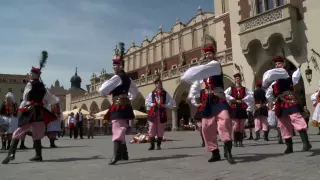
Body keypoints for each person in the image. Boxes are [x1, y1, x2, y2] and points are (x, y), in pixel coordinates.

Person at [181, 42, 235, 164]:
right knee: (206, 126)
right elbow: (196, 84)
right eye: (206, 54)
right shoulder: (204, 71)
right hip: (207, 100)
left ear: (214, 54)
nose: (207, 55)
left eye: (209, 53)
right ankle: (214, 152)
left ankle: (228, 151)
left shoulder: (216, 65)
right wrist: (192, 97)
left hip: (218, 97)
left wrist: (190, 73)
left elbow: (203, 70)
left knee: (225, 119)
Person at [2, 51, 59, 164]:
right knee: (37, 134)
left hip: (29, 112)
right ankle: (38, 155)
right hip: (38, 112)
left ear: (35, 75)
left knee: (18, 132)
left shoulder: (30, 84)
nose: (29, 74)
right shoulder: (42, 87)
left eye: (31, 73)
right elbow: (51, 99)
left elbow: (25, 96)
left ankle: (12, 153)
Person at [98, 43, 138, 165]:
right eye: (114, 65)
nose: (114, 67)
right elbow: (135, 92)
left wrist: (106, 94)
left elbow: (101, 90)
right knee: (121, 129)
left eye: (116, 64)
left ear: (121, 66)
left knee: (117, 128)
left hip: (118, 105)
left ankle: (117, 155)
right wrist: (127, 97)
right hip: (125, 105)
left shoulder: (117, 78)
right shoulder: (128, 78)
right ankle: (124, 153)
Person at [262, 55, 311, 154]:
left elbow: (296, 78)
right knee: (283, 124)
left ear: (284, 64)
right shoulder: (274, 82)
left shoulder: (289, 74)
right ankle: (289, 146)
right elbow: (269, 93)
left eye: (279, 63)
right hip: (280, 102)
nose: (277, 65)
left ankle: (306, 143)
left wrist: (301, 65)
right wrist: (271, 101)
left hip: (289, 99)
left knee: (296, 118)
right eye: (276, 64)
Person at [145, 74, 175, 150]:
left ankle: (158, 145)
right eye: (157, 83)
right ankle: (152, 145)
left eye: (160, 83)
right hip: (153, 113)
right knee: (151, 128)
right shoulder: (151, 94)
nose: (159, 85)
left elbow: (172, 102)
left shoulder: (165, 94)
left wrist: (164, 105)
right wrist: (153, 104)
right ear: (155, 85)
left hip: (161, 114)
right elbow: (146, 102)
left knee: (160, 129)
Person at [224, 73, 253, 147]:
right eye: (236, 78)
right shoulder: (231, 88)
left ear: (241, 79)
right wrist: (232, 99)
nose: (238, 80)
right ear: (235, 79)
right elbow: (225, 94)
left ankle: (240, 141)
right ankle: (235, 141)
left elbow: (251, 94)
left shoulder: (244, 88)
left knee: (242, 126)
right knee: (236, 125)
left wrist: (244, 99)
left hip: (242, 107)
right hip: (234, 107)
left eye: (239, 78)